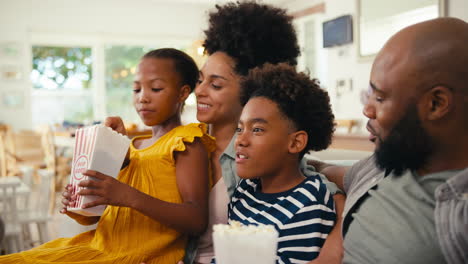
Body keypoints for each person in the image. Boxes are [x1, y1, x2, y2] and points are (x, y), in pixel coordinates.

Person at [0, 48, 215, 263]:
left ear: (183, 93)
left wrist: (128, 196)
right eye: (136, 89)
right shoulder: (132, 146)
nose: (142, 98)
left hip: (135, 256)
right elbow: (107, 214)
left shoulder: (185, 142)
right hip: (98, 246)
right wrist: (83, 200)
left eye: (156, 88)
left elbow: (196, 219)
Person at [191, 2, 345, 264]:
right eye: (199, 80)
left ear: (249, 88)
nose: (200, 91)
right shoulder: (188, 141)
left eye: (215, 84)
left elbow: (323, 192)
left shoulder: (270, 164)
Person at [310, 17, 468, 264]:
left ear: (436, 104)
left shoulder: (459, 212)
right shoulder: (384, 164)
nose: (367, 111)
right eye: (369, 96)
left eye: (380, 98)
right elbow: (326, 170)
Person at [224, 63, 336, 263]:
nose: (240, 140)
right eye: (240, 128)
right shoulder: (245, 189)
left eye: (257, 129)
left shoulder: (308, 204)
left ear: (295, 142)